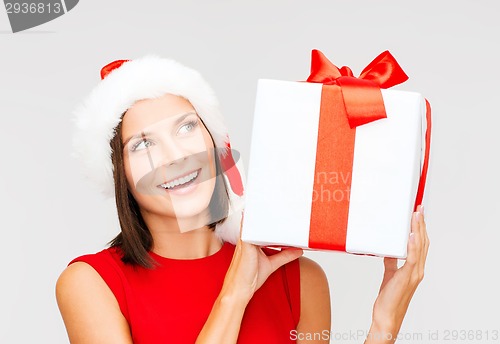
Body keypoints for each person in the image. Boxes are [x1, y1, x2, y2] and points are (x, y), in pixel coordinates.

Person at [55, 55, 429, 344]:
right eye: (143, 144)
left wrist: (384, 325)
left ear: (217, 143)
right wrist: (234, 294)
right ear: (120, 175)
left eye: (186, 127)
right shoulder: (91, 284)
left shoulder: (299, 279)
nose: (174, 156)